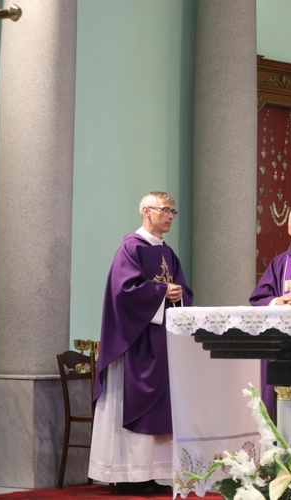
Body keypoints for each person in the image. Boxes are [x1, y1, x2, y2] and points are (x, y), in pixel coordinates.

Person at [89, 191, 193, 494]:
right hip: (133, 343)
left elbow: (183, 288)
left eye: (174, 211)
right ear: (146, 212)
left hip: (160, 342)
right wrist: (161, 293)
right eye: (165, 210)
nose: (171, 215)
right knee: (130, 403)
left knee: (159, 406)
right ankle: (126, 475)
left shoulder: (168, 252)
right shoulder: (130, 249)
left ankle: (152, 474)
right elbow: (124, 293)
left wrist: (177, 294)